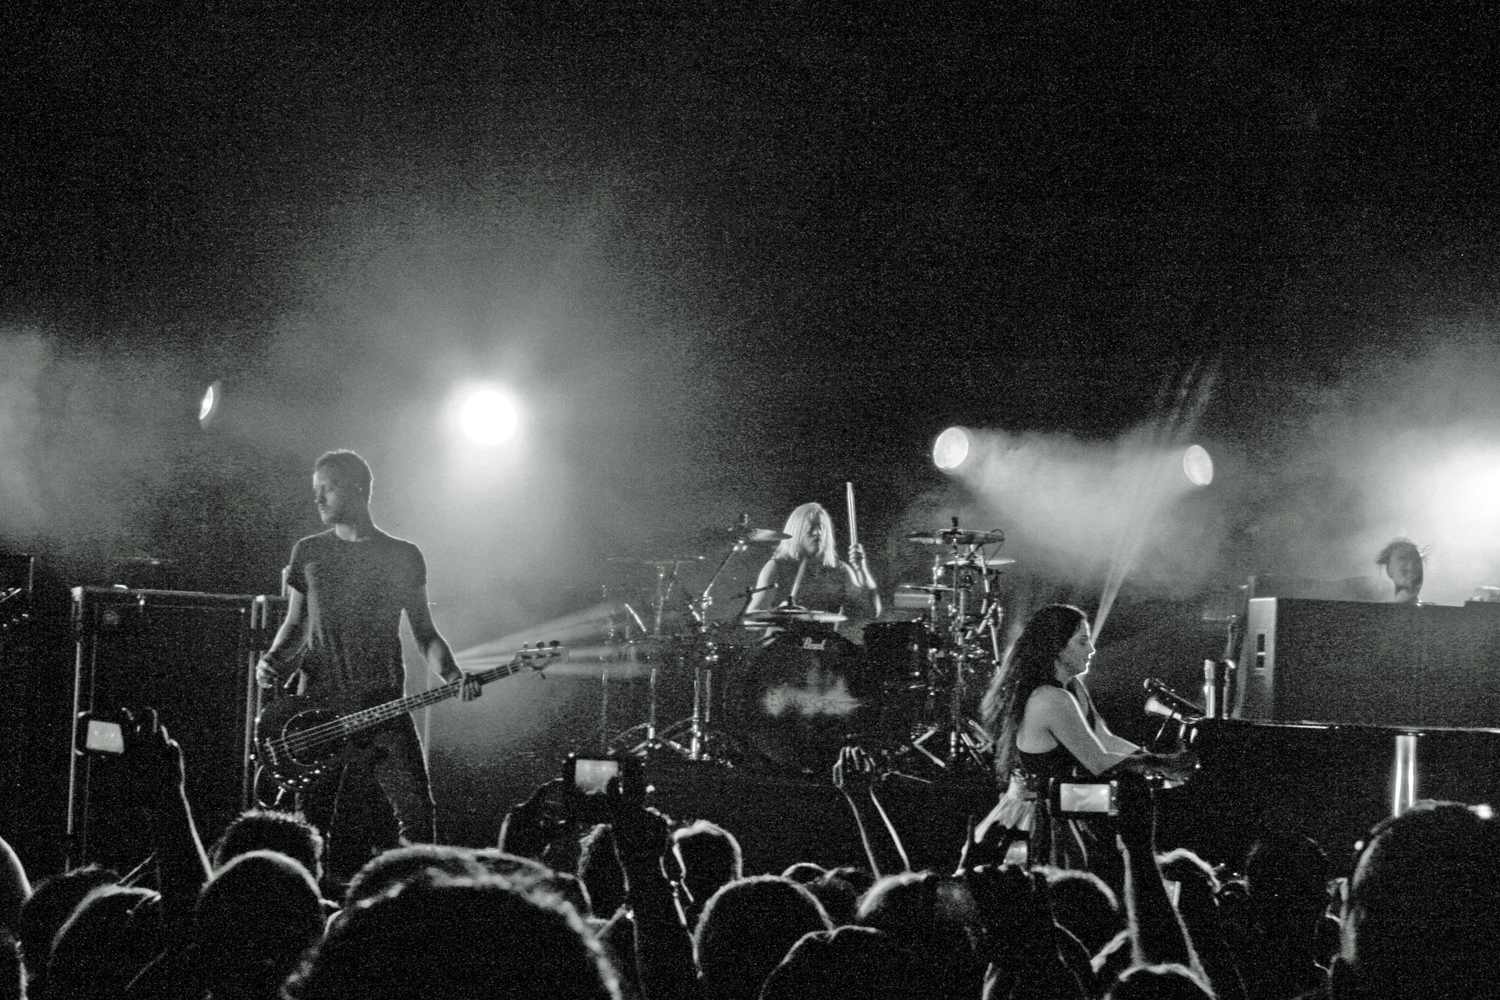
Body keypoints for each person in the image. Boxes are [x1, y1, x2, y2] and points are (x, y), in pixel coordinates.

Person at [254, 450, 481, 860]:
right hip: (316, 707)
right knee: (310, 823)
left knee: (417, 816)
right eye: (316, 490)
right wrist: (272, 658)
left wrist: (453, 675)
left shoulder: (403, 555)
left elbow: (425, 634)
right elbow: (295, 624)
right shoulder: (308, 551)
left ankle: (412, 891)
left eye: (328, 488)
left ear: (359, 488)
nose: (318, 499)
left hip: (380, 706)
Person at [973, 604, 1191, 879]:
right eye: (1082, 641)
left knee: (1137, 798)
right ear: (1057, 648)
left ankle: (1142, 873)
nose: (1091, 649)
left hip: (1069, 797)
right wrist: (1158, 764)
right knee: (1136, 799)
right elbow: (1098, 762)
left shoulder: (1073, 687)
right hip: (1043, 810)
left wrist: (1158, 764)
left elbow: (1104, 739)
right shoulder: (1050, 698)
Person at [745, 503, 880, 626]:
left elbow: (871, 612)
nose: (818, 533)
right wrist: (778, 614)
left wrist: (862, 569)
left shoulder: (839, 570)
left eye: (822, 528)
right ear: (797, 531)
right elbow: (750, 620)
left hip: (825, 643)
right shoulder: (778, 567)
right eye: (811, 527)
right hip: (783, 642)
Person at [1374, 538, 1423, 604]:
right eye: (1403, 562)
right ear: (1388, 570)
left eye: (1417, 562)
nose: (1411, 567)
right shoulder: (1378, 607)